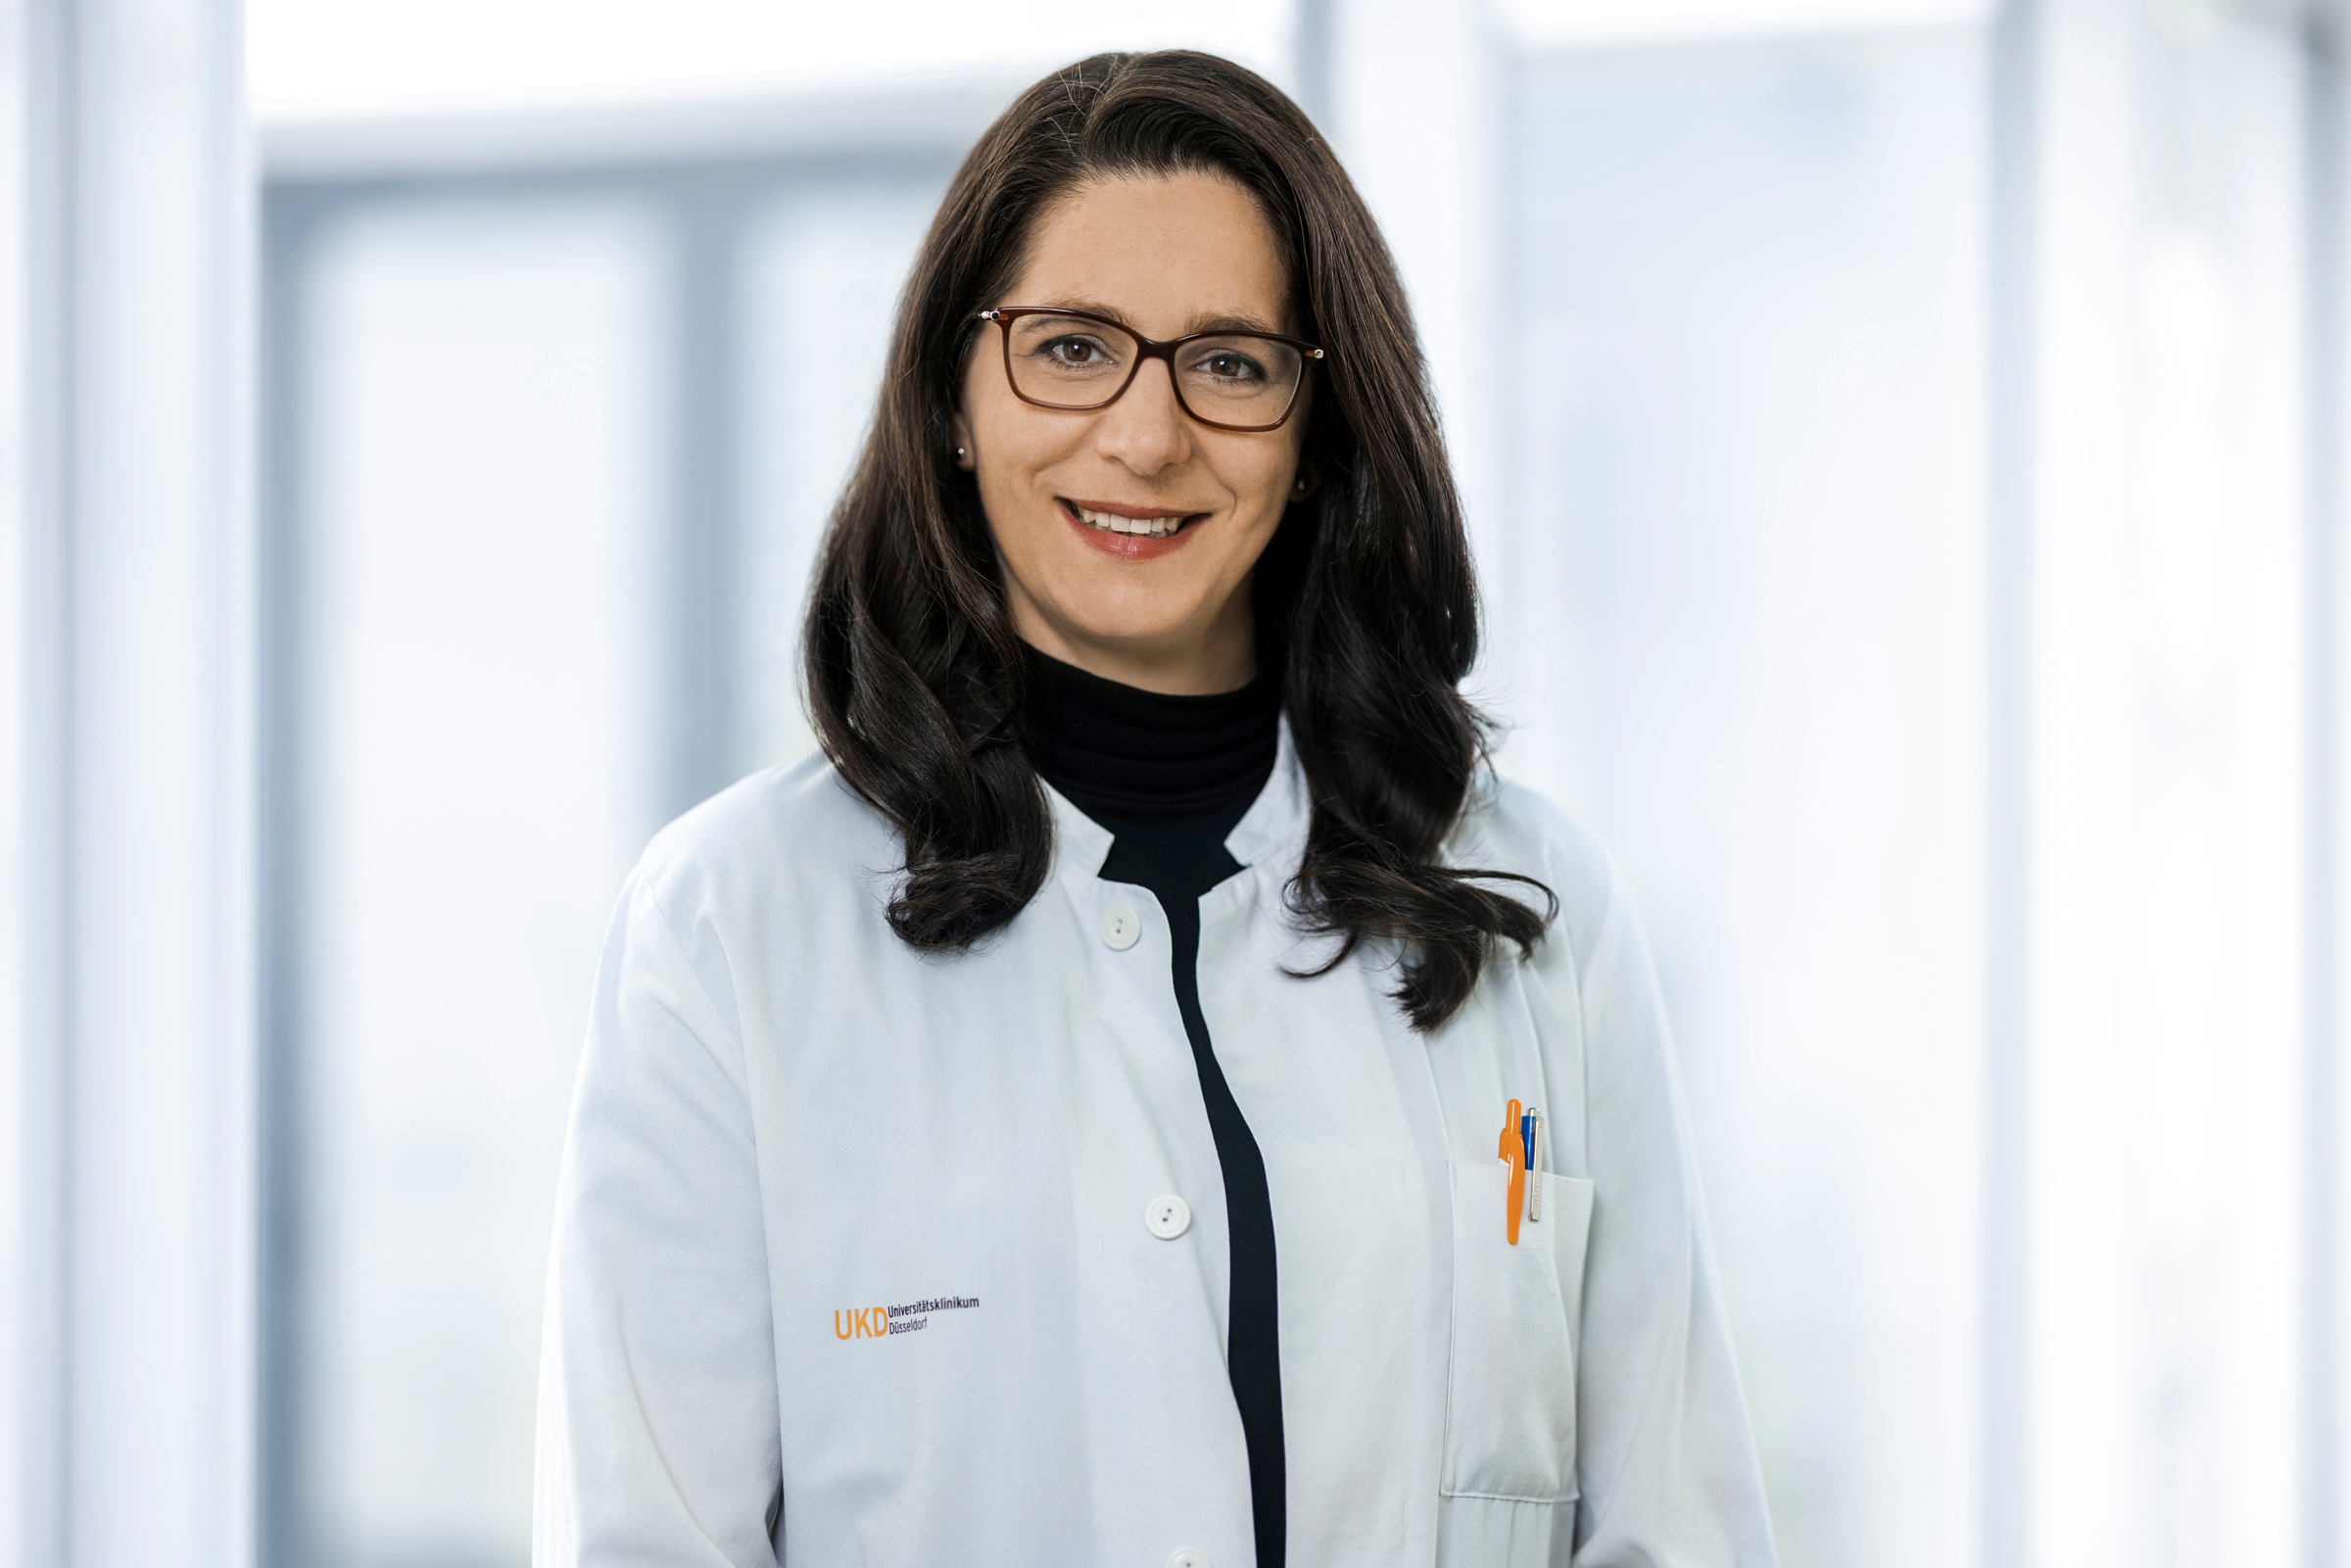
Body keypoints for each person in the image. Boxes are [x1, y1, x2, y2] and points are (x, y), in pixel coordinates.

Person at [533, 49, 1776, 1568]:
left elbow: (1677, 1524)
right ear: (952, 400)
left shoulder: (1534, 910)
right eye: (1069, 348)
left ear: (1316, 432)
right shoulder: (731, 928)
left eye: (1232, 363)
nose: (1145, 436)